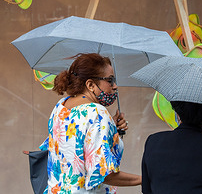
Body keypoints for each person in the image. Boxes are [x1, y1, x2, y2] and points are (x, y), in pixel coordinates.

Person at [39, 53, 141, 193]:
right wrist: (144, 179)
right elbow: (104, 175)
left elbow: (72, 145)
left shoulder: (61, 106)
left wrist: (111, 130)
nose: (115, 86)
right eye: (110, 80)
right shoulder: (97, 113)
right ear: (91, 85)